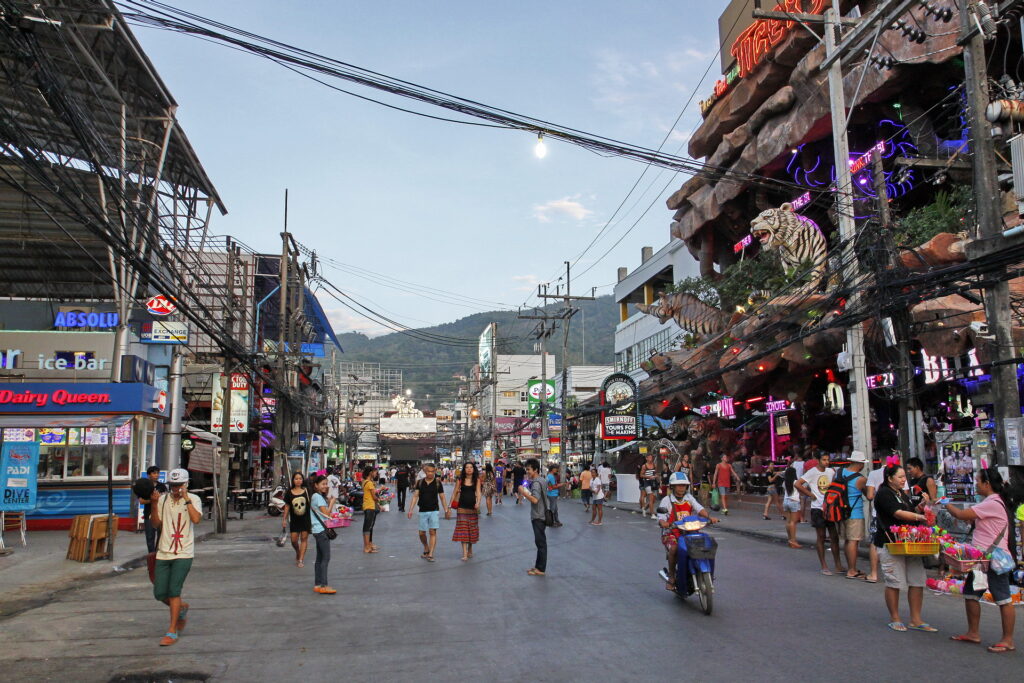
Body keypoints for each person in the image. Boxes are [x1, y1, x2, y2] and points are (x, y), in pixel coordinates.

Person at [944, 467, 1018, 652]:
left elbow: (961, 514)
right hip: (981, 559)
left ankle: (1008, 640)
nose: (975, 484)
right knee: (970, 594)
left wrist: (944, 503)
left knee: (1003, 598)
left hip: (993, 559)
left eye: (978, 481)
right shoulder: (991, 502)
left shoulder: (992, 502)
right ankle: (973, 633)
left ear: (987, 484)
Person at [873, 465, 936, 633]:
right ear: (890, 478)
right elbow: (898, 513)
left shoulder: (901, 494)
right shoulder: (884, 494)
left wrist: (920, 507)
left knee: (917, 580)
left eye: (904, 477)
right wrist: (919, 516)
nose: (903, 480)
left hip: (910, 542)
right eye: (900, 477)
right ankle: (895, 618)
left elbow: (908, 511)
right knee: (894, 581)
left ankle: (916, 619)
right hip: (892, 543)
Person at [149, 468, 202, 646]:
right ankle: (180, 608)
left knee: (174, 590)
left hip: (184, 552)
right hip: (164, 551)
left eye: (178, 485)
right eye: (172, 485)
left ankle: (172, 630)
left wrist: (186, 498)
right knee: (159, 592)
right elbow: (156, 524)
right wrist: (154, 504)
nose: (175, 489)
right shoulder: (163, 500)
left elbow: (196, 520)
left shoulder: (194, 499)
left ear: (185, 484)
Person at [657, 471, 718, 592]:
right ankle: (672, 577)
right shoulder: (667, 500)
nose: (681, 488)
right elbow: (661, 518)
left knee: (707, 543)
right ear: (672, 486)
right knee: (674, 549)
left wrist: (709, 518)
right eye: (679, 485)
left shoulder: (689, 498)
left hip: (689, 532)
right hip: (671, 533)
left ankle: (708, 573)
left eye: (684, 485)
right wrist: (664, 523)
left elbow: (699, 509)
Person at [794, 453, 845, 575]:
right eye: (824, 460)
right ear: (818, 460)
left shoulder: (831, 472)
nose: (826, 462)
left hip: (830, 507)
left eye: (828, 460)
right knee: (821, 537)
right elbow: (797, 483)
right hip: (817, 508)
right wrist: (810, 494)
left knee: (834, 537)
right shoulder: (812, 472)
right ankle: (824, 565)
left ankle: (838, 565)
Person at [407, 463, 450, 562]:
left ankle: (430, 554)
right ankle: (426, 547)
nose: (430, 473)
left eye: (432, 471)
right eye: (428, 471)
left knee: (432, 532)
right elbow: (415, 496)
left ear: (435, 471)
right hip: (422, 510)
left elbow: (442, 497)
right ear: (425, 471)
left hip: (434, 510)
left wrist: (446, 510)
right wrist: (410, 510)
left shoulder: (438, 483)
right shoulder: (419, 482)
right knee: (421, 533)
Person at [307, 474, 337, 595]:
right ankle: (324, 585)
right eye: (323, 484)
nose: (326, 486)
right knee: (325, 558)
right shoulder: (318, 497)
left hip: (316, 530)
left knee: (319, 558)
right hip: (321, 530)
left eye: (326, 484)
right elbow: (327, 514)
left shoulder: (315, 496)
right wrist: (331, 502)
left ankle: (317, 584)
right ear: (316, 485)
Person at [841, 451, 868, 579]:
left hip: (841, 511)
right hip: (854, 512)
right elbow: (869, 495)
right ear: (860, 464)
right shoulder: (860, 479)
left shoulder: (840, 472)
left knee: (847, 540)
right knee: (853, 541)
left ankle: (851, 567)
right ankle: (851, 570)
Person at [519, 458, 548, 576]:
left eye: (529, 470)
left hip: (538, 516)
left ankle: (540, 569)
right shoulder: (542, 480)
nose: (527, 472)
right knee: (540, 543)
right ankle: (538, 567)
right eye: (526, 470)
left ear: (535, 469)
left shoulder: (536, 482)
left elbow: (535, 500)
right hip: (543, 514)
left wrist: (523, 492)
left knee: (540, 543)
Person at [452, 462, 482, 561]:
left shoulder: (477, 480)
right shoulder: (460, 480)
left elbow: (478, 492)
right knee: (463, 531)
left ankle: (470, 548)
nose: (469, 469)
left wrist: (478, 502)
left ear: (473, 469)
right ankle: (464, 553)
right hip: (461, 508)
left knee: (471, 530)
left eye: (471, 467)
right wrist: (448, 506)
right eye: (467, 467)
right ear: (464, 469)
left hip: (472, 508)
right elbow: (455, 492)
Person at [282, 471, 311, 568]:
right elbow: (287, 506)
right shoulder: (289, 493)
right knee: (293, 540)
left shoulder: (307, 491)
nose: (298, 480)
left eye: (300, 478)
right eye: (296, 479)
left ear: (302, 480)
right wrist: (284, 520)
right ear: (293, 480)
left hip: (306, 519)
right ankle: (298, 551)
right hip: (294, 520)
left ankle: (301, 559)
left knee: (304, 538)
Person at [143, 465, 167, 553]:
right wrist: (153, 499)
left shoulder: (162, 486)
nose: (156, 475)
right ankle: (151, 556)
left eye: (158, 473)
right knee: (150, 537)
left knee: (161, 536)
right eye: (154, 473)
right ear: (149, 475)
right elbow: (141, 501)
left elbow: (165, 498)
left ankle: (158, 554)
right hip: (148, 514)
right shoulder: (144, 486)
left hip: (160, 514)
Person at [782, 460, 802, 548]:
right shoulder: (795, 482)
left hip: (786, 501)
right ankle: (793, 540)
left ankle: (790, 539)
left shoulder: (784, 483)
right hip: (794, 501)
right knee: (794, 522)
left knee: (789, 521)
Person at [362, 466, 380, 553]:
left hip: (367, 506)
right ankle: (366, 547)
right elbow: (374, 496)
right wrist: (380, 500)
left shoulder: (365, 482)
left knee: (368, 527)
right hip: (370, 506)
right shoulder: (369, 483)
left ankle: (368, 545)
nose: (376, 473)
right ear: (370, 473)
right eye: (375, 472)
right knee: (367, 527)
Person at [638, 453, 658, 518]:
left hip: (654, 483)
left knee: (654, 499)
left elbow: (655, 473)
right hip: (647, 483)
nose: (650, 458)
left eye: (651, 457)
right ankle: (652, 514)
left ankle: (645, 508)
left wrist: (656, 476)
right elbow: (641, 475)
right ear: (646, 458)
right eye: (649, 457)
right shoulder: (644, 466)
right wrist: (648, 477)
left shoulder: (654, 465)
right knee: (651, 499)